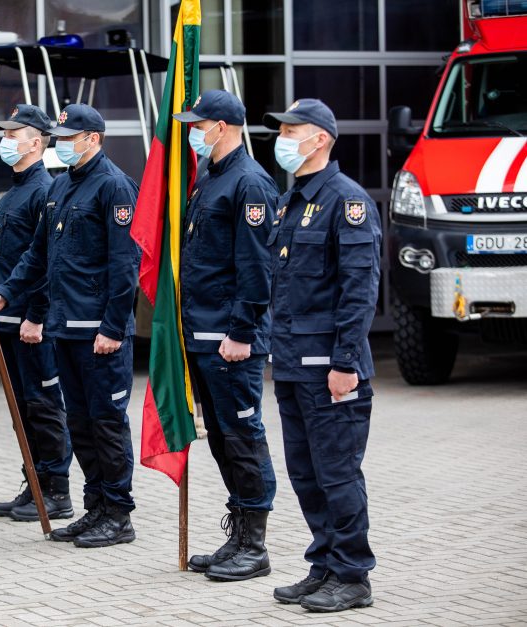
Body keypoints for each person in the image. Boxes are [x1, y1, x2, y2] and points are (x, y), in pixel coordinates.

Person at [0, 103, 141, 548]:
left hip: (100, 333)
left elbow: (125, 265)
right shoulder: (63, 188)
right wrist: (8, 292)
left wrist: (113, 327)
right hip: (65, 327)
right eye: (61, 137)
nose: (63, 145)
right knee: (82, 424)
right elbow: (38, 257)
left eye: (71, 138)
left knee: (107, 422)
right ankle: (95, 509)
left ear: (93, 139)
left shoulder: (114, 187)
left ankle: (118, 513)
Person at [262, 99, 381, 611]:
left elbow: (360, 290)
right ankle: (324, 564)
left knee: (337, 474)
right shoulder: (293, 202)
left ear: (321, 139)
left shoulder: (346, 201)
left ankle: (353, 575)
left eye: (292, 130)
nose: (283, 138)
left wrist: (344, 364)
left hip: (330, 369)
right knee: (306, 474)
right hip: (291, 364)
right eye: (281, 130)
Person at [172, 90, 279, 582]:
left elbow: (256, 270)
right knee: (220, 437)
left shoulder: (250, 183)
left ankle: (255, 545)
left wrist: (241, 331)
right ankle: (237, 533)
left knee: (242, 436)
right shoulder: (211, 178)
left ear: (223, 126)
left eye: (199, 124)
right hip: (202, 333)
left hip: (230, 339)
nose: (193, 131)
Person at [0, 104, 74, 522]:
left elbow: (46, 263)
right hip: (7, 319)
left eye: (13, 133)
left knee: (42, 405)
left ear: (36, 141)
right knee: (22, 407)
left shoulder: (46, 190)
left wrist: (36, 315)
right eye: (3, 133)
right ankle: (34, 483)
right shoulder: (14, 192)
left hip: (31, 323)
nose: (6, 141)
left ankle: (57, 489)